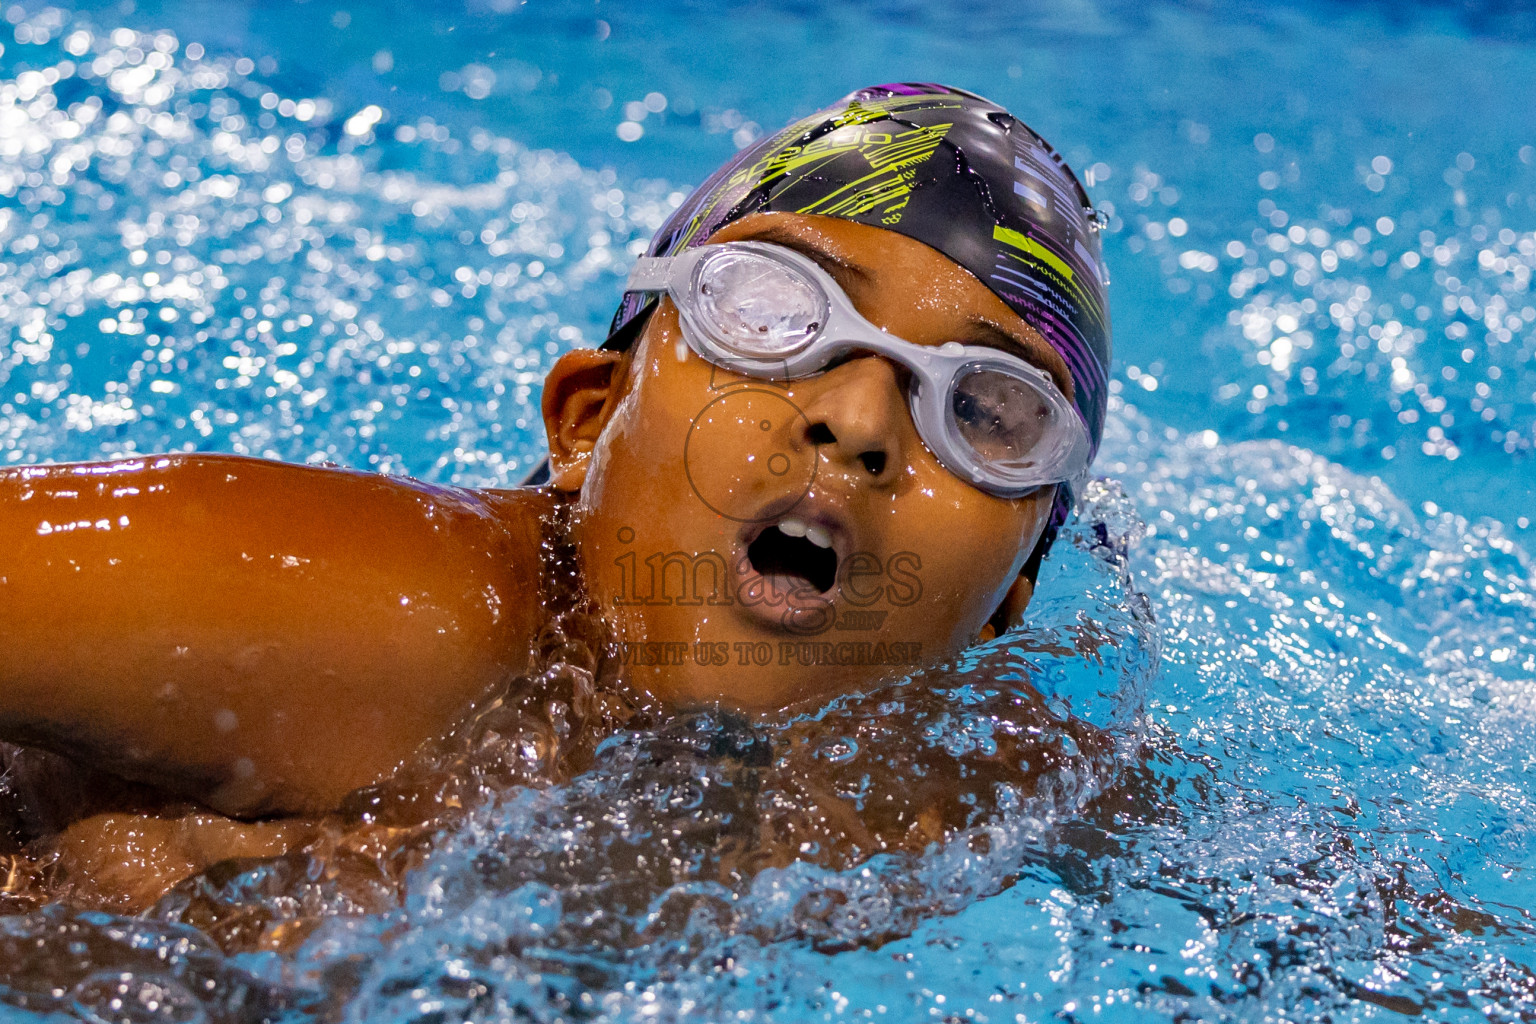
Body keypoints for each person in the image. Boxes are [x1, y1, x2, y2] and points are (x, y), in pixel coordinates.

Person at [0, 83, 1111, 913]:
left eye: (988, 411)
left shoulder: (968, 796)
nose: (862, 423)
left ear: (1007, 601)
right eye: (774, 309)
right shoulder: (402, 615)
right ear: (587, 421)